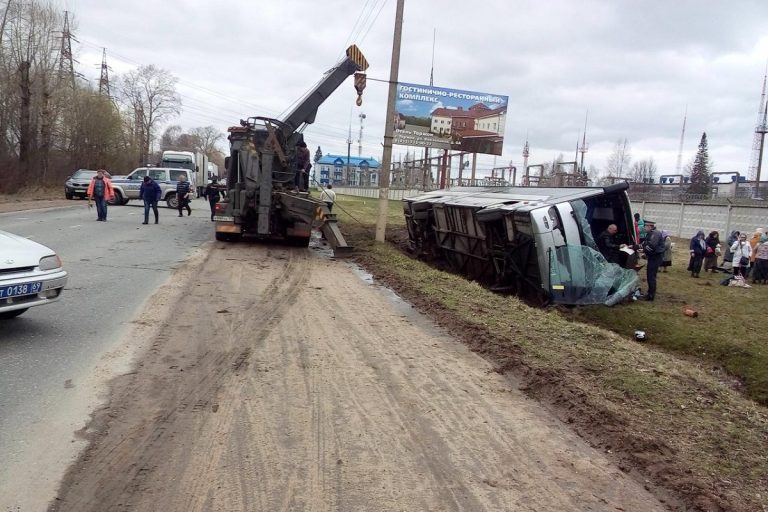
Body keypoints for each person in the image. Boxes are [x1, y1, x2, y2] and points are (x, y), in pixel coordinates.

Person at [641, 220, 665, 301]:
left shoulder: (655, 234)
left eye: (645, 226)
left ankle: (651, 295)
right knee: (650, 276)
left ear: (649, 226)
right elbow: (645, 243)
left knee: (651, 276)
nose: (644, 228)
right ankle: (650, 293)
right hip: (653, 257)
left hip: (655, 257)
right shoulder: (650, 233)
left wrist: (644, 250)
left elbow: (652, 246)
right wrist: (635, 247)